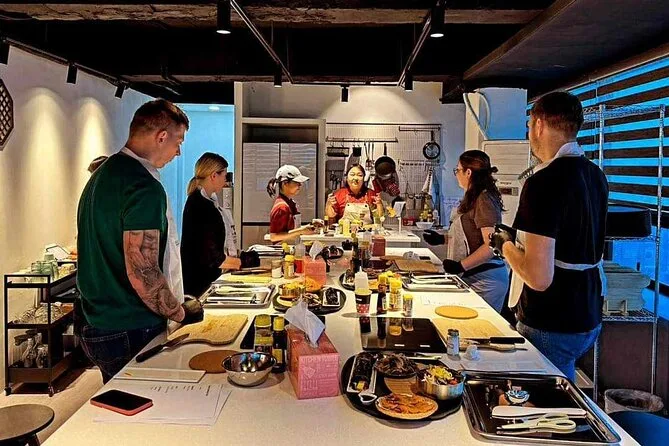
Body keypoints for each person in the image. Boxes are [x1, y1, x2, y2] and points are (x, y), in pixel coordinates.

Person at [76, 99, 204, 383]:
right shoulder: (143, 186)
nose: (178, 152)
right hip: (130, 325)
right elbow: (142, 271)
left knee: (119, 401)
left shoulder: (103, 175)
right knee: (146, 402)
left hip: (96, 321)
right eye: (178, 142)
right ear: (162, 136)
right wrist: (180, 312)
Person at [490, 91, 608, 381]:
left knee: (542, 400)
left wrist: (505, 245)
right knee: (563, 386)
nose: (529, 133)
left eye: (529, 125)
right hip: (588, 313)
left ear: (539, 125)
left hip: (551, 319)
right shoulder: (595, 174)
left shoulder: (543, 182)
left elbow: (538, 277)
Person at [422, 150, 509, 312]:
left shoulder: (484, 199)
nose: (456, 174)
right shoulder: (473, 197)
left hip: (486, 279)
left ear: (468, 172)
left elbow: (491, 246)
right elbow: (471, 235)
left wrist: (461, 266)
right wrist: (442, 239)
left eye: (457, 170)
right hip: (473, 275)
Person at [181, 152, 259, 297]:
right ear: (213, 176)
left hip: (203, 280)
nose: (225, 180)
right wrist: (244, 262)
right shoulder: (200, 206)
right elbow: (213, 258)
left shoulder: (205, 201)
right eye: (224, 175)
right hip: (200, 285)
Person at [267, 165, 316, 243]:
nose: (300, 185)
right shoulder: (281, 207)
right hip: (283, 248)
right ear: (285, 183)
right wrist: (301, 231)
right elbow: (274, 237)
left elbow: (291, 229)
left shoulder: (290, 203)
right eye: (296, 182)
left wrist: (309, 227)